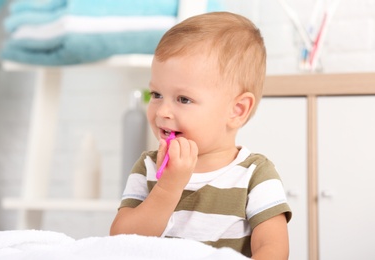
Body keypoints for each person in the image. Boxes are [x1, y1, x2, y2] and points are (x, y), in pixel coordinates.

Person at [110, 11, 292, 259]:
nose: (162, 111)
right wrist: (168, 187)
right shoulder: (148, 167)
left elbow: (273, 249)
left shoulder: (255, 175)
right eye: (156, 94)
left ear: (236, 110)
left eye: (183, 99)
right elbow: (121, 242)